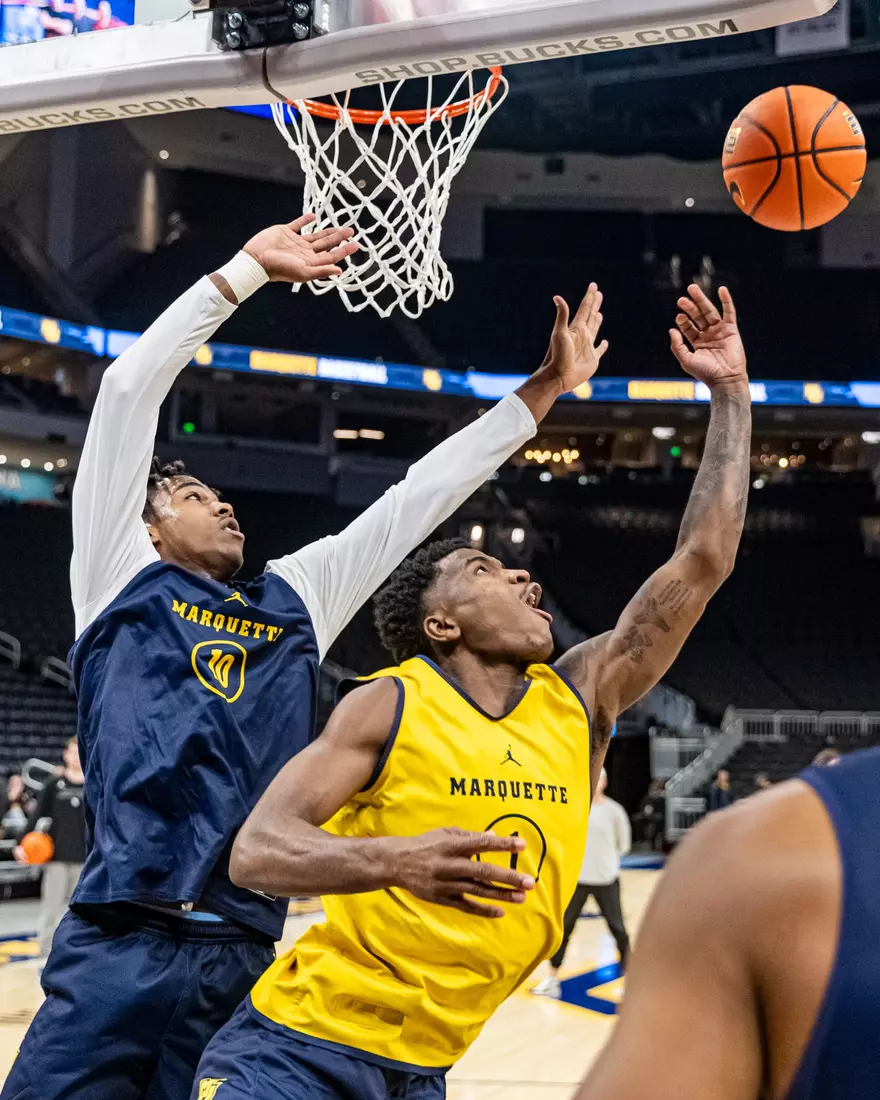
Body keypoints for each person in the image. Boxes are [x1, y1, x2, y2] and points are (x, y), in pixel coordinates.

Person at [2, 214, 612, 1100]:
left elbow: (419, 497)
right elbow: (130, 387)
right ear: (145, 522)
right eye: (194, 495)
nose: (224, 507)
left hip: (245, 956)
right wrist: (245, 270)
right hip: (116, 940)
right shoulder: (114, 574)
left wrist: (543, 393)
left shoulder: (298, 597)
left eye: (222, 496)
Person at [190, 282, 752, 1100]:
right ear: (442, 625)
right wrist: (397, 859)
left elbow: (702, 562)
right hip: (297, 1051)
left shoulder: (582, 696)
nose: (524, 575)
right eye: (484, 570)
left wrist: (731, 392)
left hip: (425, 1071)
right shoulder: (390, 701)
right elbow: (257, 851)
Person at [574, 745, 880, 1100]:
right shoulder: (760, 855)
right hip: (589, 874)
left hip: (609, 873)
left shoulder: (749, 855)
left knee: (616, 927)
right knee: (570, 928)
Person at [532, 768, 631, 997]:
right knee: (564, 928)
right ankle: (551, 978)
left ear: (605, 783)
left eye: (600, 779)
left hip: (606, 879)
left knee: (617, 928)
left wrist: (607, 862)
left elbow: (623, 844)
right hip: (579, 878)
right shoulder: (576, 810)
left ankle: (630, 980)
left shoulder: (614, 811)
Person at [14, 737, 86, 957]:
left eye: (78, 752)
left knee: (83, 914)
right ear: (65, 755)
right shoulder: (54, 784)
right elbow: (34, 817)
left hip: (86, 859)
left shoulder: (94, 784)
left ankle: (80, 955)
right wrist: (20, 844)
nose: (74, 756)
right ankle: (44, 956)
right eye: (71, 752)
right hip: (57, 858)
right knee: (50, 911)